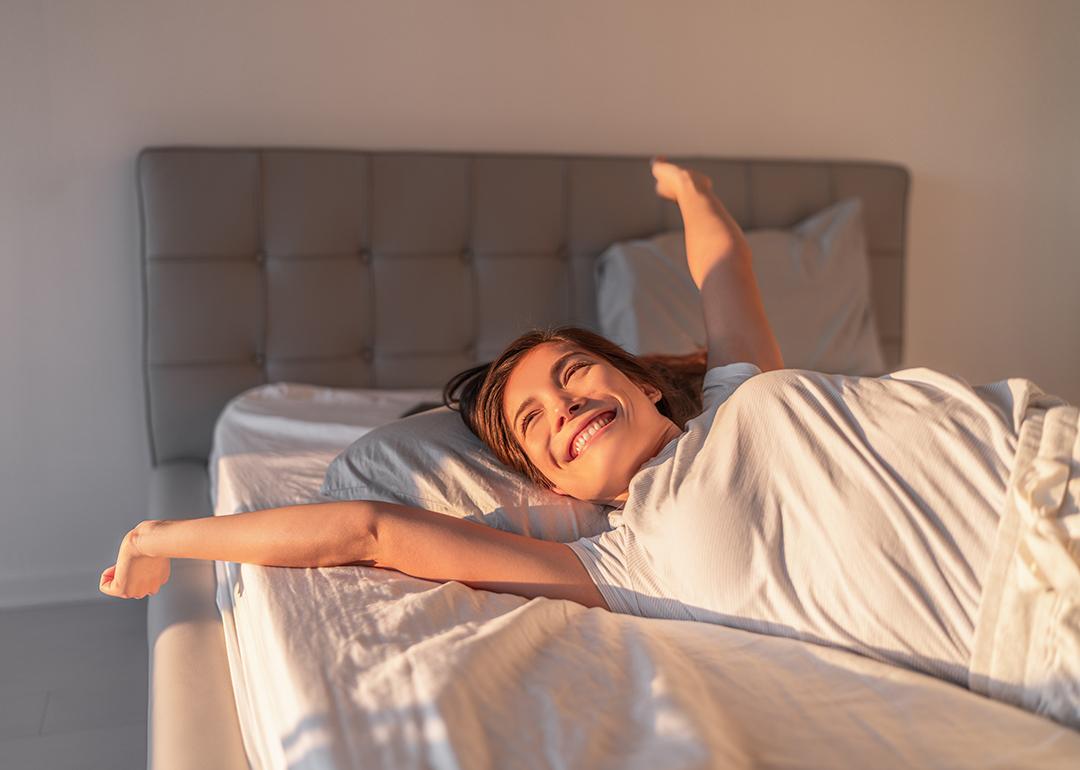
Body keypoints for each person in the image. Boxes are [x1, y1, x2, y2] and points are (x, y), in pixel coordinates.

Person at [100, 160, 1080, 729]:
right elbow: (369, 527)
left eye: (573, 373)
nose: (561, 405)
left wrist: (688, 188)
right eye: (532, 424)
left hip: (1046, 445)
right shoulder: (619, 559)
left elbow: (723, 263)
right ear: (547, 480)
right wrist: (160, 536)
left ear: (645, 382)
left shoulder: (739, 387)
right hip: (1037, 608)